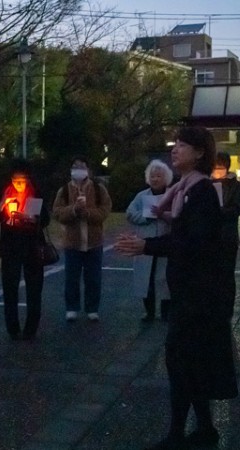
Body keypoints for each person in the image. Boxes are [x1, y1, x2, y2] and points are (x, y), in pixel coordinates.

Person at [115, 127, 238, 450]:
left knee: (181, 361)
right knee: (188, 362)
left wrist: (147, 246)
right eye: (176, 144)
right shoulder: (186, 189)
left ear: (199, 153)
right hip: (188, 292)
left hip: (198, 297)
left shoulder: (201, 193)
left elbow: (192, 243)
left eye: (183, 145)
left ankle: (178, 435)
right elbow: (184, 234)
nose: (175, 149)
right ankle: (204, 430)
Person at [0, 160, 50, 341]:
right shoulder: (5, 193)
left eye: (22, 181)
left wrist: (33, 219)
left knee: (34, 289)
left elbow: (45, 219)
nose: (19, 184)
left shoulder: (36, 193)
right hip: (10, 248)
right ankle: (12, 328)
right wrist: (2, 208)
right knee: (10, 288)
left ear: (28, 179)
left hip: (32, 247)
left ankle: (31, 328)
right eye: (16, 181)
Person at [52, 155, 112, 321]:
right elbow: (57, 212)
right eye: (75, 166)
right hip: (72, 242)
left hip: (94, 242)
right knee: (71, 277)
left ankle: (92, 308)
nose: (78, 170)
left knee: (93, 277)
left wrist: (88, 213)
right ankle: (72, 308)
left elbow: (105, 210)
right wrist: (73, 210)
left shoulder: (98, 189)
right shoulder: (64, 190)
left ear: (88, 170)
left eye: (82, 166)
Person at [125, 160, 172, 322]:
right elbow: (130, 213)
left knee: (165, 279)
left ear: (166, 177)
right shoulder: (141, 196)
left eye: (159, 176)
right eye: (152, 176)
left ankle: (166, 312)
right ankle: (149, 311)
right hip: (144, 243)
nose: (155, 179)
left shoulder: (172, 194)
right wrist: (146, 217)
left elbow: (179, 216)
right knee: (146, 279)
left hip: (166, 243)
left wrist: (164, 216)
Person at [211, 151, 240, 319]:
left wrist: (219, 211)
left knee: (227, 275)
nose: (217, 170)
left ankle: (226, 308)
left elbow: (236, 209)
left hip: (227, 236)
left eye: (220, 166)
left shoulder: (235, 186)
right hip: (210, 236)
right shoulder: (207, 183)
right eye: (215, 166)